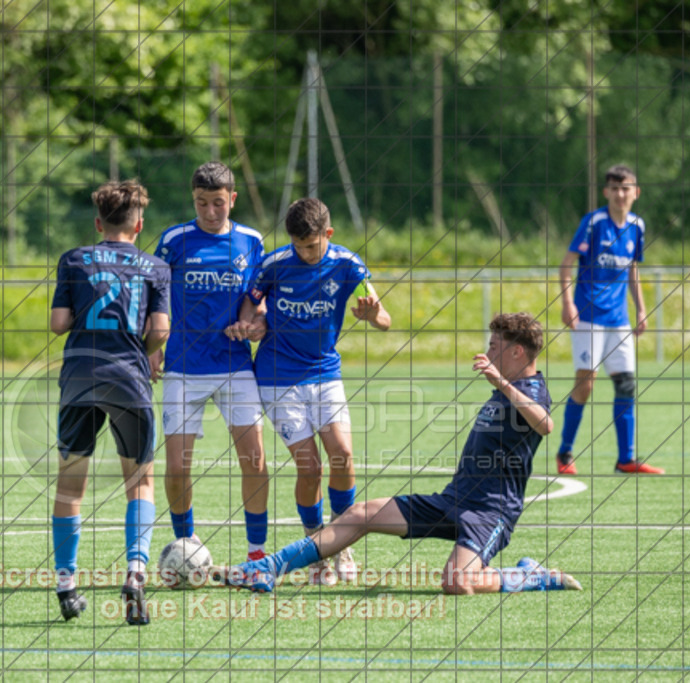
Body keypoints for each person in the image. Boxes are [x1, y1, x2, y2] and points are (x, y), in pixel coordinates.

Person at [214, 313, 582, 595]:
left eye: (495, 346)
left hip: (491, 512)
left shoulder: (532, 388)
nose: (488, 353)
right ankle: (269, 567)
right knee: (359, 514)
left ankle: (528, 576)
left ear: (518, 351)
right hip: (453, 499)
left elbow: (545, 424)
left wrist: (500, 382)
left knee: (457, 582)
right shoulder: (509, 387)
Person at [226, 197, 391, 586]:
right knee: (310, 467)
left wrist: (371, 315)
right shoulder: (274, 265)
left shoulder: (349, 264)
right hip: (278, 375)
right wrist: (249, 324)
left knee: (344, 456)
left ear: (328, 235)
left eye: (312, 246)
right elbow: (249, 306)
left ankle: (342, 540)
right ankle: (315, 546)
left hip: (324, 372)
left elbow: (384, 318)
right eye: (298, 246)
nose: (304, 253)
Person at [49, 180, 171, 625]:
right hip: (128, 376)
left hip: (79, 375)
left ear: (99, 223)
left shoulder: (74, 259)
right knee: (139, 481)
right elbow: (160, 331)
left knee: (70, 483)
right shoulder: (155, 267)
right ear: (139, 225)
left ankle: (66, 585)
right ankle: (136, 576)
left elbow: (58, 323)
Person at [151, 162, 269, 563]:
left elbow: (260, 297)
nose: (210, 211)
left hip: (236, 366)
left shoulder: (251, 241)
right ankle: (186, 544)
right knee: (177, 466)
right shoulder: (174, 240)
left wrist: (252, 323)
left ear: (232, 199)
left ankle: (256, 555)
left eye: (218, 203)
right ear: (193, 200)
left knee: (254, 460)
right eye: (202, 203)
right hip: (183, 369)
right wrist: (151, 346)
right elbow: (153, 294)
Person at [557, 164, 663, 475]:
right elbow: (566, 266)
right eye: (614, 188)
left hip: (619, 320)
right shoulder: (593, 223)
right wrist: (567, 304)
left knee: (626, 384)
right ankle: (565, 453)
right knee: (585, 385)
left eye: (626, 188)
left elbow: (632, 268)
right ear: (606, 192)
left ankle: (625, 459)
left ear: (636, 192)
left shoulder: (637, 226)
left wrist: (641, 309)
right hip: (588, 316)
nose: (620, 194)